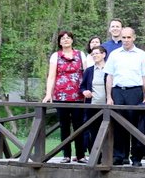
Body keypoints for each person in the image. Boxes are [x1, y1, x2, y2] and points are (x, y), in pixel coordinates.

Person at [105, 27, 145, 167]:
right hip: (118, 91)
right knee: (118, 125)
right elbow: (109, 76)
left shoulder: (141, 54)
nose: (126, 40)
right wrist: (109, 97)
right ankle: (119, 156)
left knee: (136, 126)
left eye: (128, 37)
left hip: (135, 91)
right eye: (123, 37)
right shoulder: (114, 54)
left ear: (134, 38)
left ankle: (136, 157)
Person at [42, 31, 88, 163]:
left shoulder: (80, 55)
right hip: (60, 96)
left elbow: (86, 74)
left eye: (68, 38)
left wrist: (87, 90)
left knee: (79, 126)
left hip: (78, 96)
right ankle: (66, 155)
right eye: (63, 38)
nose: (66, 40)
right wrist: (48, 94)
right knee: (64, 126)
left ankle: (80, 155)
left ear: (72, 40)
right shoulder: (55, 56)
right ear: (59, 42)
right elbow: (51, 76)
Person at [80, 44, 108, 152]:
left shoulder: (110, 69)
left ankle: (109, 155)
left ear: (103, 54)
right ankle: (95, 155)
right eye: (93, 54)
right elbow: (82, 86)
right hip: (92, 106)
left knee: (109, 131)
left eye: (97, 53)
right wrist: (84, 91)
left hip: (108, 106)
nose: (94, 55)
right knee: (93, 131)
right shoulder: (89, 71)